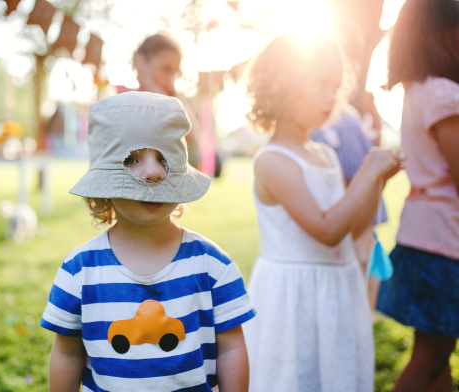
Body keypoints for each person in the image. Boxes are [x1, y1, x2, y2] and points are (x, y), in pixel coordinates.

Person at [39, 91, 255, 392]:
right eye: (132, 159)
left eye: (164, 159)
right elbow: (67, 353)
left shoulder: (212, 266)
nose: (153, 173)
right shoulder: (79, 271)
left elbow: (231, 348)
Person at [242, 34, 404, 391]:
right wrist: (366, 171)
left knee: (334, 373)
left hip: (337, 287)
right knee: (295, 375)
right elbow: (326, 229)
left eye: (335, 86)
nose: (332, 96)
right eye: (320, 85)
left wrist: (378, 182)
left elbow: (354, 226)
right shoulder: (273, 161)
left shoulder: (325, 154)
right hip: (295, 297)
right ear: (283, 87)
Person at [375, 0, 459, 390]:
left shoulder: (419, 90)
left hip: (422, 236)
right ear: (444, 34)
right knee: (430, 358)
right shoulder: (444, 94)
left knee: (434, 357)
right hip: (445, 240)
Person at [311, 102, 389, 310]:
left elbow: (356, 172)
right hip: (340, 216)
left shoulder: (343, 119)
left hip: (350, 215)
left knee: (359, 275)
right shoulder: (340, 118)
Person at [130, 34, 202, 170]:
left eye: (175, 72)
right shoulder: (129, 100)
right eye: (166, 69)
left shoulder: (172, 97)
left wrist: (155, 87)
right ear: (141, 63)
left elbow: (190, 132)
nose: (171, 79)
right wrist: (149, 84)